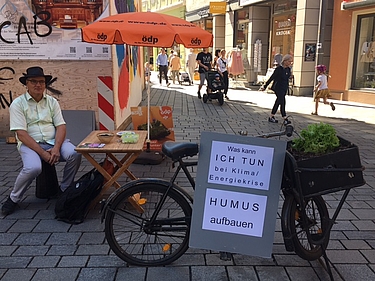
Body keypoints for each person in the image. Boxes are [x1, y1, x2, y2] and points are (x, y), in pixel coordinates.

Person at [1, 66, 82, 215]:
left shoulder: (52, 102)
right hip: (30, 144)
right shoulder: (18, 104)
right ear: (26, 84)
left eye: (41, 82)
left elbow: (61, 126)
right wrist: (43, 154)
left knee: (74, 154)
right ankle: (13, 199)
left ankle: (64, 190)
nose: (38, 85)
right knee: (33, 168)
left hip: (53, 141)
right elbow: (22, 134)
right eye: (33, 81)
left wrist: (57, 147)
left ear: (45, 84)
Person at [260, 54, 293, 124]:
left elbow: (287, 78)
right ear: (285, 61)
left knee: (278, 102)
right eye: (289, 61)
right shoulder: (279, 69)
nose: (290, 63)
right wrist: (265, 86)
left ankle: (271, 116)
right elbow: (272, 77)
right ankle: (284, 118)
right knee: (282, 101)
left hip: (284, 88)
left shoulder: (288, 69)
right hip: (278, 87)